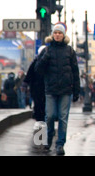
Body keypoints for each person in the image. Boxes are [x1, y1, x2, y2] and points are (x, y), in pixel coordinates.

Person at [35, 23, 80, 156]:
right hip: (50, 90)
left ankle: (60, 144)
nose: (57, 35)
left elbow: (75, 72)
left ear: (63, 35)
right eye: (55, 33)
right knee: (49, 116)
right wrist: (44, 59)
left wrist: (76, 91)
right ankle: (48, 138)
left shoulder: (70, 51)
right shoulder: (46, 51)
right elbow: (38, 70)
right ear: (52, 35)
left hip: (66, 91)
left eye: (60, 33)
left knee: (63, 118)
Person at [24, 45, 47, 129]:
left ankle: (40, 127)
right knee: (44, 107)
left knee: (38, 107)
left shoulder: (35, 62)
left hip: (36, 89)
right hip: (45, 89)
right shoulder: (48, 62)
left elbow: (28, 76)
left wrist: (26, 84)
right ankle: (42, 125)